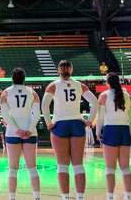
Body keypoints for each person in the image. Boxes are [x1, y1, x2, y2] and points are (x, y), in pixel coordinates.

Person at [42, 60, 99, 200]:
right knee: (78, 165)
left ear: (58, 70)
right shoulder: (79, 85)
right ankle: (80, 197)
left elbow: (44, 106)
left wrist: (49, 123)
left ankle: (65, 197)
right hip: (76, 124)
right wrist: (90, 120)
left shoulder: (53, 85)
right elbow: (95, 102)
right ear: (71, 70)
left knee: (62, 166)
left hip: (60, 125)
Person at [0, 67, 40, 200]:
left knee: (13, 168)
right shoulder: (32, 92)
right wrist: (29, 128)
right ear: (24, 78)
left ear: (12, 78)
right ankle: (37, 197)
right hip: (30, 132)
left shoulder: (6, 92)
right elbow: (37, 114)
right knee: (32, 168)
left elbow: (4, 114)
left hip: (12, 133)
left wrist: (16, 129)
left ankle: (12, 198)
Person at [95, 74, 131, 200]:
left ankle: (110, 197)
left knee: (110, 168)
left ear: (108, 82)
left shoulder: (104, 96)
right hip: (124, 130)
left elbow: (100, 118)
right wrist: (130, 133)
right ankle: (128, 196)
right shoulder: (129, 97)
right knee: (125, 167)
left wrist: (98, 132)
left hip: (110, 129)